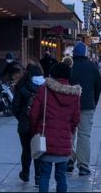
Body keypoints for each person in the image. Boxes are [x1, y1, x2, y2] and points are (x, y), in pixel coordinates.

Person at [30, 62, 82, 193]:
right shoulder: (74, 94)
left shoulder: (44, 91)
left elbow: (33, 114)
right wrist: (68, 130)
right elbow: (76, 119)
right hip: (63, 141)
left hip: (45, 139)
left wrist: (35, 129)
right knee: (61, 176)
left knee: (44, 175)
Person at [68, 42, 101, 176]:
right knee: (84, 135)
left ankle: (69, 159)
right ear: (85, 54)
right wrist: (94, 101)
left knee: (70, 133)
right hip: (87, 106)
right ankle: (83, 165)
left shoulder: (69, 66)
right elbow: (98, 86)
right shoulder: (92, 67)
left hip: (70, 105)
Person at [12, 63, 46, 183]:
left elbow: (15, 107)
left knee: (26, 150)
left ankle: (25, 174)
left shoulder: (21, 86)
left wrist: (21, 118)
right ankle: (38, 177)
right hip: (39, 124)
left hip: (24, 124)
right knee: (38, 150)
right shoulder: (45, 87)